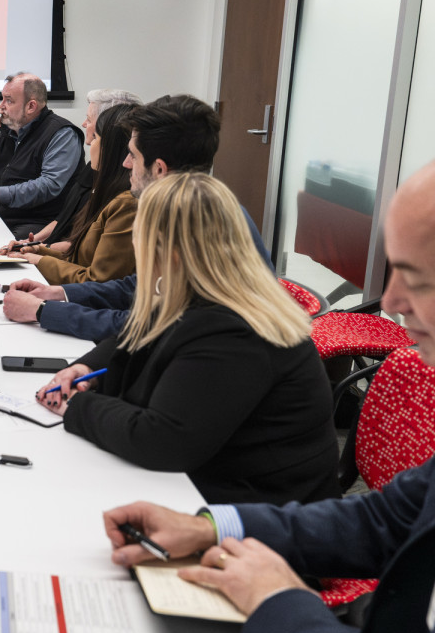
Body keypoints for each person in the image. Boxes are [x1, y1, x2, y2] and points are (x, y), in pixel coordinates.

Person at [104, 160, 435, 633]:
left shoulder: (231, 327)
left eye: (417, 280)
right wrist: (213, 528)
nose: (392, 303)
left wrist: (276, 600)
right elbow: (381, 521)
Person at [36, 173, 339, 505]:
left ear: (171, 253)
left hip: (258, 515)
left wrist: (77, 407)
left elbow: (161, 441)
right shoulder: (201, 289)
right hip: (215, 479)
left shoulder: (234, 332)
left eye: (140, 235)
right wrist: (84, 368)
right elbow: (138, 331)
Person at [2, 94, 273, 340]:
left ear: (159, 169)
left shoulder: (195, 225)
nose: (125, 163)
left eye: (133, 155)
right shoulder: (200, 204)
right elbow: (139, 287)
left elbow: (146, 325)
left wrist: (43, 312)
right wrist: (57, 293)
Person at [0, 103, 138, 285]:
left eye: (95, 138)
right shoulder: (104, 190)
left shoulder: (126, 203)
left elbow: (97, 280)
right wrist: (37, 250)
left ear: (111, 150)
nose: (89, 143)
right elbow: (80, 258)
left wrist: (39, 260)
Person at [14, 88, 143, 249]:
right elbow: (64, 218)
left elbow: (82, 248)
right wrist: (34, 242)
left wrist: (38, 250)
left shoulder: (123, 190)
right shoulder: (93, 168)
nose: (83, 124)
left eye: (89, 120)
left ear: (110, 126)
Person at [0, 72, 86, 238]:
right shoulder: (8, 132)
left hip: (37, 223)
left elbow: (49, 185)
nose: (1, 107)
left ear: (31, 106)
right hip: (3, 216)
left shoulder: (62, 134)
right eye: (2, 99)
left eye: (9, 100)